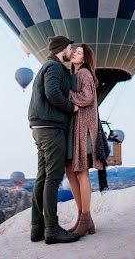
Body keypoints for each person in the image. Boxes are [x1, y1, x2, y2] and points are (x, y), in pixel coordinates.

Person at [28, 35, 80, 245]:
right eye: (70, 47)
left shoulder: (46, 66)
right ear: (63, 49)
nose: (72, 50)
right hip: (51, 127)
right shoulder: (55, 67)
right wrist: (71, 107)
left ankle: (36, 228)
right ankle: (52, 228)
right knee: (53, 177)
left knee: (42, 176)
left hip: (40, 127)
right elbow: (52, 93)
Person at [65, 44, 104, 236]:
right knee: (72, 170)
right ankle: (82, 217)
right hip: (77, 129)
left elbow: (87, 98)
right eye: (74, 51)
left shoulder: (84, 73)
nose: (74, 54)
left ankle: (86, 218)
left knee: (81, 172)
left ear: (85, 58)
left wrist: (69, 95)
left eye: (79, 52)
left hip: (85, 130)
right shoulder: (77, 73)